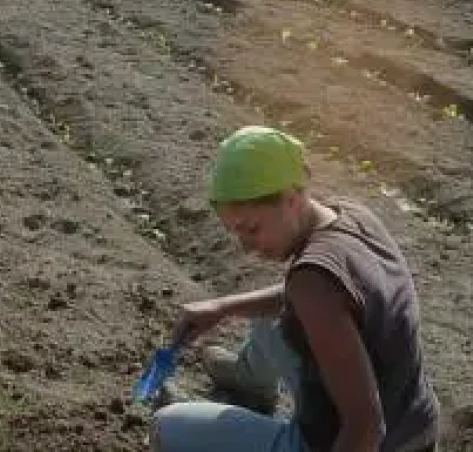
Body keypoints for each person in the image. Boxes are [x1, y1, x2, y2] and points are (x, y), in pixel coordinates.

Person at [150, 126, 440, 452]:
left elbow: (366, 427)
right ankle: (250, 383)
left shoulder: (312, 283)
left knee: (166, 426)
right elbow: (321, 299)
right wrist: (222, 308)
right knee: (273, 312)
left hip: (362, 443)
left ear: (291, 199)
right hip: (417, 424)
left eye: (252, 229)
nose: (246, 247)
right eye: (235, 232)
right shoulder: (353, 216)